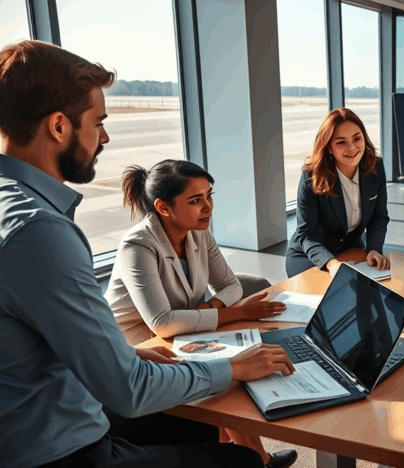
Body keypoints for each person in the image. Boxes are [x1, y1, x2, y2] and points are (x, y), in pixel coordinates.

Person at [0, 40, 296, 468]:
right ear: (59, 126)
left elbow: (30, 337)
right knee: (239, 460)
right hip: (60, 449)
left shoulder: (15, 207)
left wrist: (126, 355)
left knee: (200, 419)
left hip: (41, 410)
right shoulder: (42, 231)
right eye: (97, 122)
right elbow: (129, 389)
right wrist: (234, 368)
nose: (105, 136)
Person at [105, 159, 296, 467]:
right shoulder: (137, 246)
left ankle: (257, 459)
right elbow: (162, 324)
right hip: (140, 347)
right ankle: (253, 459)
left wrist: (208, 308)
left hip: (185, 331)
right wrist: (231, 313)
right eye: (195, 200)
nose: (208, 206)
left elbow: (230, 285)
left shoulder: (198, 231)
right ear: (163, 207)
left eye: (209, 196)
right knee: (228, 377)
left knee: (236, 369)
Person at [286, 108, 390, 278]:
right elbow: (307, 234)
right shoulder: (311, 176)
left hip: (350, 248)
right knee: (327, 295)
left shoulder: (375, 167)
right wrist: (332, 263)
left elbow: (379, 217)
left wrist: (373, 249)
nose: (352, 147)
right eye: (341, 142)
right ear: (328, 147)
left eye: (357, 138)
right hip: (310, 255)